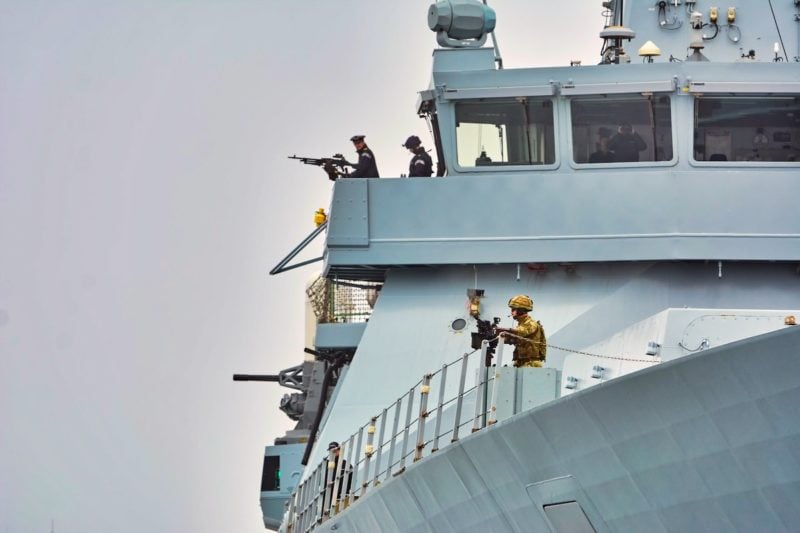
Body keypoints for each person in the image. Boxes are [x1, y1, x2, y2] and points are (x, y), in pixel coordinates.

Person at [495, 294, 547, 368]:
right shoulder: (522, 324)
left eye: (513, 309)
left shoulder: (531, 323)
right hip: (522, 362)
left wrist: (502, 332)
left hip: (531, 364)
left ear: (520, 310)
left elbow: (521, 332)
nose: (511, 312)